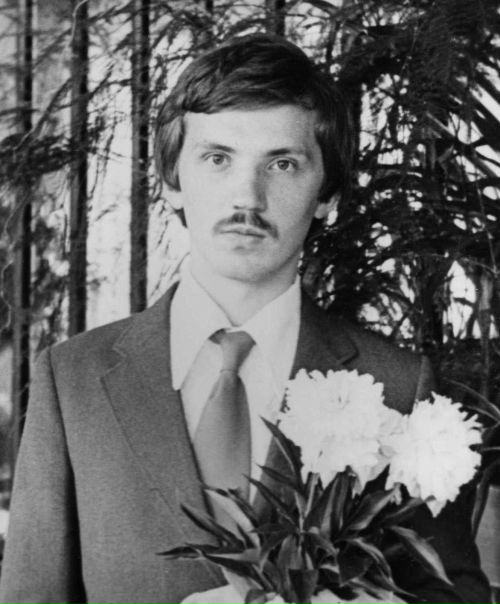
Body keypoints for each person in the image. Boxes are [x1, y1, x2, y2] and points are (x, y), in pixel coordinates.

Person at [0, 34, 490, 604]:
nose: (247, 197)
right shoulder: (72, 381)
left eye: (282, 164)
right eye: (217, 158)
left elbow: (455, 595)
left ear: (327, 195)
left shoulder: (399, 386)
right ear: (172, 182)